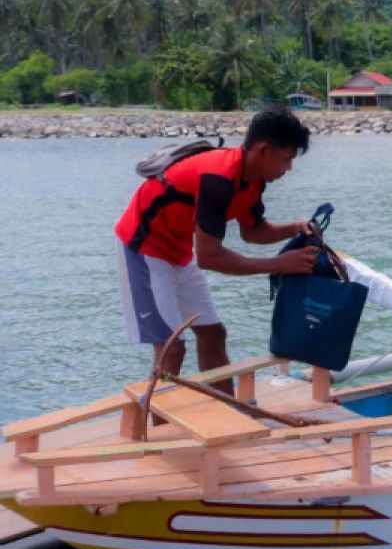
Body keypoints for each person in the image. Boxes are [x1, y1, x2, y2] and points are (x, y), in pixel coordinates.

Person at [114, 105, 318, 391]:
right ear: (263, 150)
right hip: (144, 251)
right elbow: (209, 257)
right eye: (286, 159)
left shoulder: (253, 180)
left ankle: (226, 413)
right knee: (172, 349)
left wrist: (295, 227)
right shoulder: (218, 177)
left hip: (178, 253)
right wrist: (278, 264)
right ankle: (155, 431)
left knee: (213, 334)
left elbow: (252, 231)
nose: (289, 168)